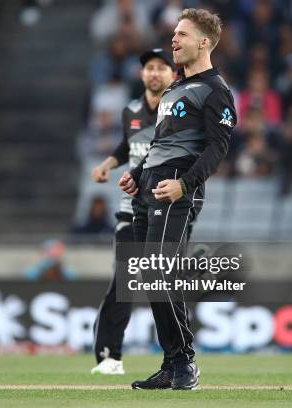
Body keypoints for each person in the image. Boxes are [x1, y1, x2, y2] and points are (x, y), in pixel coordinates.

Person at [119, 9, 236, 390]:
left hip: (175, 188)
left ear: (204, 42)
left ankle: (185, 360)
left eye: (182, 34)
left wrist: (185, 185)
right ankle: (172, 363)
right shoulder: (173, 88)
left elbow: (218, 147)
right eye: (174, 33)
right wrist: (136, 175)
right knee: (150, 278)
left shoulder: (216, 88)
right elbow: (160, 142)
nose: (173, 40)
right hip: (151, 185)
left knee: (159, 271)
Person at [90, 49, 176, 375]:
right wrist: (108, 164)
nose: (154, 73)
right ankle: (110, 355)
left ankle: (175, 359)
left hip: (167, 210)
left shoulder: (178, 111)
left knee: (163, 284)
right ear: (142, 75)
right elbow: (128, 147)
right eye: (149, 68)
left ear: (173, 74)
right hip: (131, 209)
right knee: (126, 282)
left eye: (161, 68)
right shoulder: (131, 111)